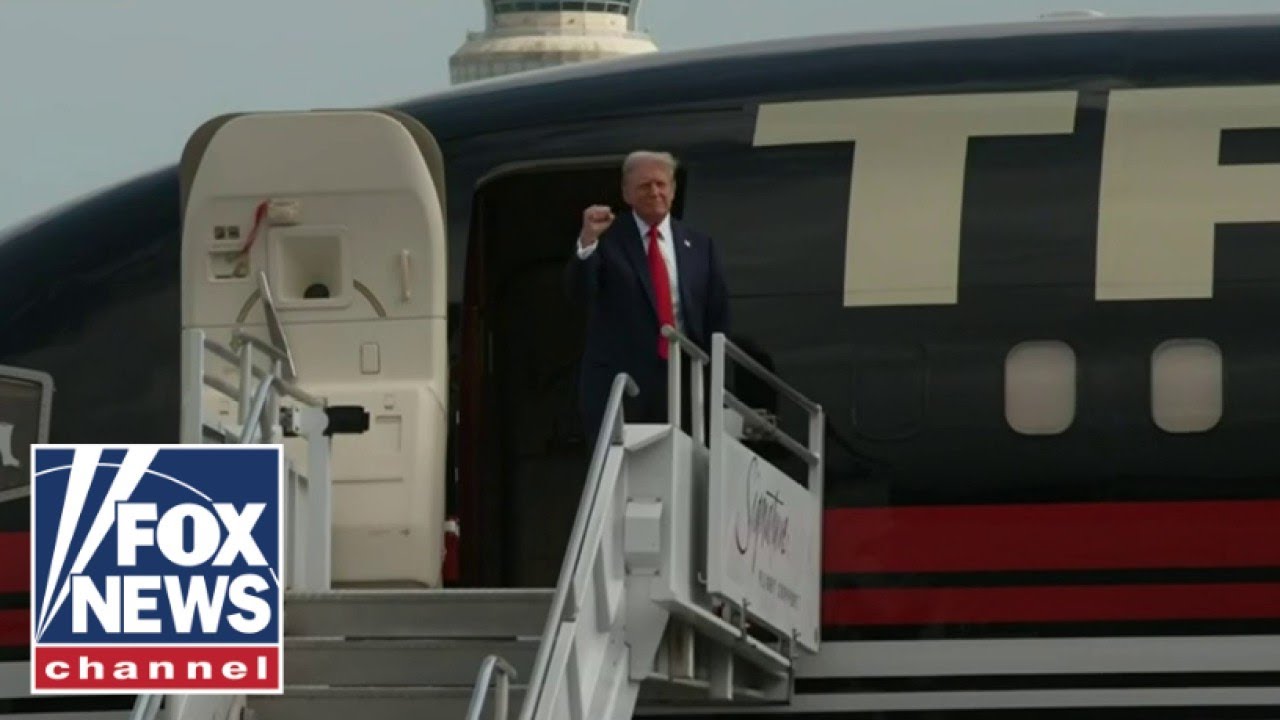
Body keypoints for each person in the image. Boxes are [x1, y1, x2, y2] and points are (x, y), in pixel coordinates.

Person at [565, 150, 730, 443]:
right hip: (621, 387)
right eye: (643, 186)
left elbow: (717, 320)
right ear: (626, 193)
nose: (654, 192)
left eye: (660, 184)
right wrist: (587, 242)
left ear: (673, 190)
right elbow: (579, 295)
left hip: (683, 388)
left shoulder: (701, 246)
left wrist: (718, 386)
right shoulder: (606, 240)